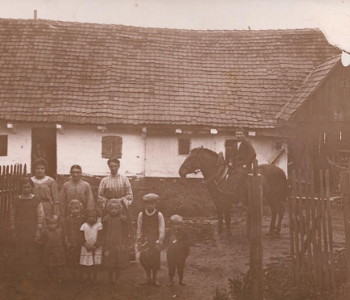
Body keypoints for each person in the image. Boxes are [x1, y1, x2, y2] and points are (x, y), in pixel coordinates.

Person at [97, 157, 135, 261]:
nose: (113, 168)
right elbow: (100, 196)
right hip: (109, 208)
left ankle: (125, 257)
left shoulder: (124, 179)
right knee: (108, 232)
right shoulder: (104, 180)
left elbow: (129, 195)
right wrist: (108, 203)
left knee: (124, 231)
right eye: (111, 166)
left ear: (118, 166)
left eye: (115, 166)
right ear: (108, 167)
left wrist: (120, 202)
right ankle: (108, 258)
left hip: (122, 207)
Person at [10, 177, 44, 276]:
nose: (26, 189)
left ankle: (32, 272)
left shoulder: (36, 200)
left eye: (28, 187)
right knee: (20, 249)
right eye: (24, 187)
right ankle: (21, 272)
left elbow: (40, 215)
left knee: (32, 250)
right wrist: (13, 228)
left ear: (32, 187)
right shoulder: (16, 200)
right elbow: (12, 215)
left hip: (32, 229)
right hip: (20, 229)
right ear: (20, 188)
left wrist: (38, 230)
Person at [137, 193, 165, 287]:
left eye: (152, 204)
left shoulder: (159, 215)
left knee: (155, 260)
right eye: (148, 204)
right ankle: (148, 278)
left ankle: (154, 278)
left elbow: (161, 228)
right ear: (145, 204)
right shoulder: (141, 214)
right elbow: (139, 227)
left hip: (155, 241)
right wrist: (139, 239)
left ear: (155, 204)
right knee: (146, 259)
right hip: (145, 241)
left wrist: (160, 240)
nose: (150, 206)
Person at [226, 127, 257, 204]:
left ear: (244, 135)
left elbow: (253, 154)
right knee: (229, 177)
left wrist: (246, 164)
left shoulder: (247, 144)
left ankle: (242, 198)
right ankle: (231, 196)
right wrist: (230, 162)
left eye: (240, 134)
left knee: (239, 178)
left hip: (244, 167)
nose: (238, 136)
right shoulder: (235, 145)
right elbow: (232, 155)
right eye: (237, 134)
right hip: (236, 166)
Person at [102, 198, 129, 284]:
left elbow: (125, 232)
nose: (114, 210)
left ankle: (117, 277)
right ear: (108, 209)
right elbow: (103, 231)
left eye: (116, 208)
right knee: (109, 262)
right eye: (111, 208)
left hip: (119, 243)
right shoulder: (106, 219)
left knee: (118, 262)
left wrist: (124, 242)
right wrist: (104, 243)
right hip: (109, 243)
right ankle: (110, 278)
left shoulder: (123, 219)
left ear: (120, 209)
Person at [165, 215, 190, 287]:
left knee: (180, 267)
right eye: (174, 224)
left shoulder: (184, 233)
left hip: (180, 253)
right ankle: (171, 280)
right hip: (171, 253)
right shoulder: (169, 232)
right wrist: (162, 247)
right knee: (171, 267)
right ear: (171, 225)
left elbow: (187, 243)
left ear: (181, 225)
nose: (176, 226)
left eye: (178, 224)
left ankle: (181, 280)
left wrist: (186, 252)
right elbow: (165, 241)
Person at [40, 215, 65, 284]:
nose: (52, 226)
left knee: (59, 266)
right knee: (50, 266)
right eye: (50, 224)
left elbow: (63, 240)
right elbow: (43, 241)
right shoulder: (46, 232)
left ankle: (59, 278)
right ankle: (51, 278)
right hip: (49, 251)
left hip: (58, 251)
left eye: (54, 223)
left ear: (57, 224)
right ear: (47, 224)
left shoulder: (60, 231)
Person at [79, 208, 102, 282]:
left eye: (93, 216)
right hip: (87, 247)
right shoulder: (84, 225)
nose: (91, 218)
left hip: (96, 247)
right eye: (89, 216)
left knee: (96, 263)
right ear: (86, 217)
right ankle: (88, 276)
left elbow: (101, 236)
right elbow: (81, 237)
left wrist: (96, 245)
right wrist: (86, 245)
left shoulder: (99, 225)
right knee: (87, 264)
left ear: (96, 217)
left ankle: (95, 277)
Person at [64, 199, 85, 279]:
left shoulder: (82, 219)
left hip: (80, 241)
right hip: (71, 241)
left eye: (77, 208)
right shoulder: (68, 219)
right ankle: (72, 274)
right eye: (73, 209)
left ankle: (80, 274)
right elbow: (66, 231)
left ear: (80, 209)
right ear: (70, 209)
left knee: (80, 257)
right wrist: (67, 241)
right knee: (71, 257)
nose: (75, 211)